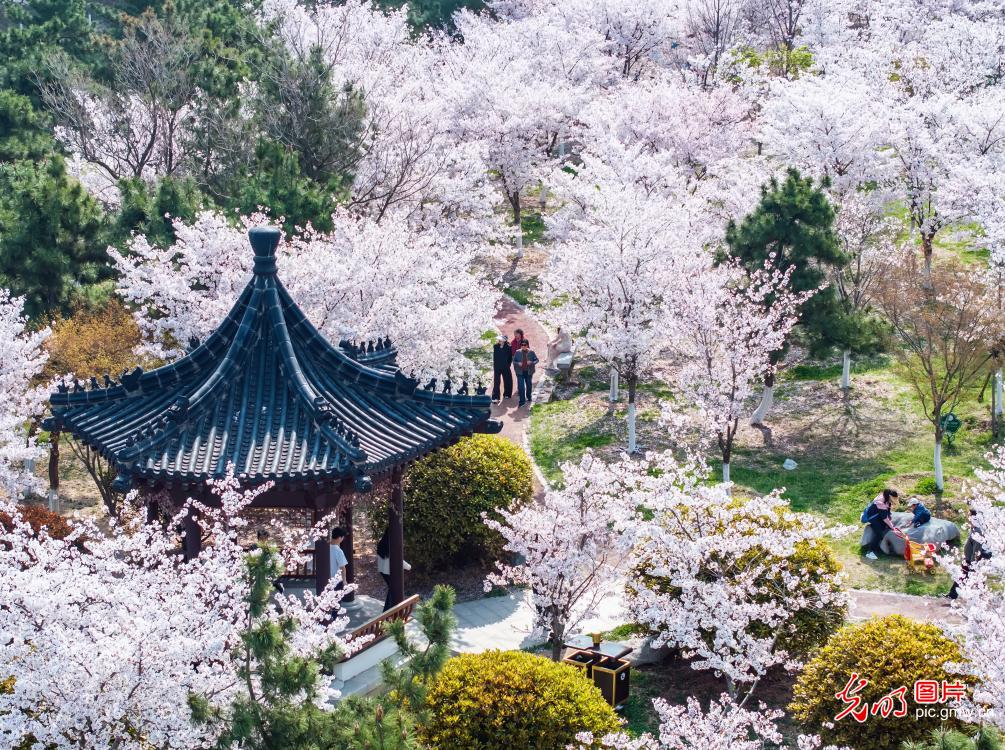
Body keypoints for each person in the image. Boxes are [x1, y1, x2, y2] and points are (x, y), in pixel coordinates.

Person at [947, 509, 993, 599]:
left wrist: (973, 564)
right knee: (965, 576)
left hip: (972, 561)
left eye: (970, 516)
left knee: (969, 577)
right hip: (970, 560)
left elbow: (977, 550)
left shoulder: (978, 531)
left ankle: (983, 596)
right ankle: (953, 594)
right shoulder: (975, 529)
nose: (968, 518)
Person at [376, 527, 412, 612]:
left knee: (391, 589)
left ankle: (387, 610)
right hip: (389, 571)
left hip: (382, 571)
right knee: (393, 589)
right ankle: (387, 611)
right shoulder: (392, 544)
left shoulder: (382, 543)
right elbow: (398, 559)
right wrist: (409, 567)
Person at [864, 495, 901, 560]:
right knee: (879, 534)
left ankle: (879, 548)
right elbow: (884, 518)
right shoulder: (881, 503)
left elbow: (888, 513)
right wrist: (892, 527)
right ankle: (870, 552)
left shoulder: (888, 502)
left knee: (884, 528)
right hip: (873, 518)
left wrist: (889, 518)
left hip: (878, 517)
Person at [513, 339, 539, 407]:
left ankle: (529, 397)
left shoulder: (531, 352)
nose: (523, 346)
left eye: (525, 345)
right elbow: (514, 361)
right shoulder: (517, 352)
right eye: (522, 345)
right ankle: (522, 401)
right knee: (521, 387)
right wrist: (518, 363)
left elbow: (537, 360)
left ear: (527, 345)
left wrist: (532, 362)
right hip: (520, 372)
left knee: (529, 385)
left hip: (528, 372)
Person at [491, 335, 513, 403]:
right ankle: (495, 397)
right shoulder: (495, 346)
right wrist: (495, 366)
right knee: (496, 382)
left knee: (507, 380)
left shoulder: (509, 347)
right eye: (499, 340)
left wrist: (508, 365)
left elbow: (510, 358)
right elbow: (494, 357)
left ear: (504, 341)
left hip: (505, 367)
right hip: (497, 367)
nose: (499, 341)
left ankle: (507, 394)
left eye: (501, 340)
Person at [329, 526, 349, 591]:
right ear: (340, 537)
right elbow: (342, 567)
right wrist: (344, 581)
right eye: (343, 537)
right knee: (336, 600)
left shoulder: (326, 547)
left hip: (326, 579)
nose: (342, 539)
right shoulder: (338, 551)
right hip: (336, 580)